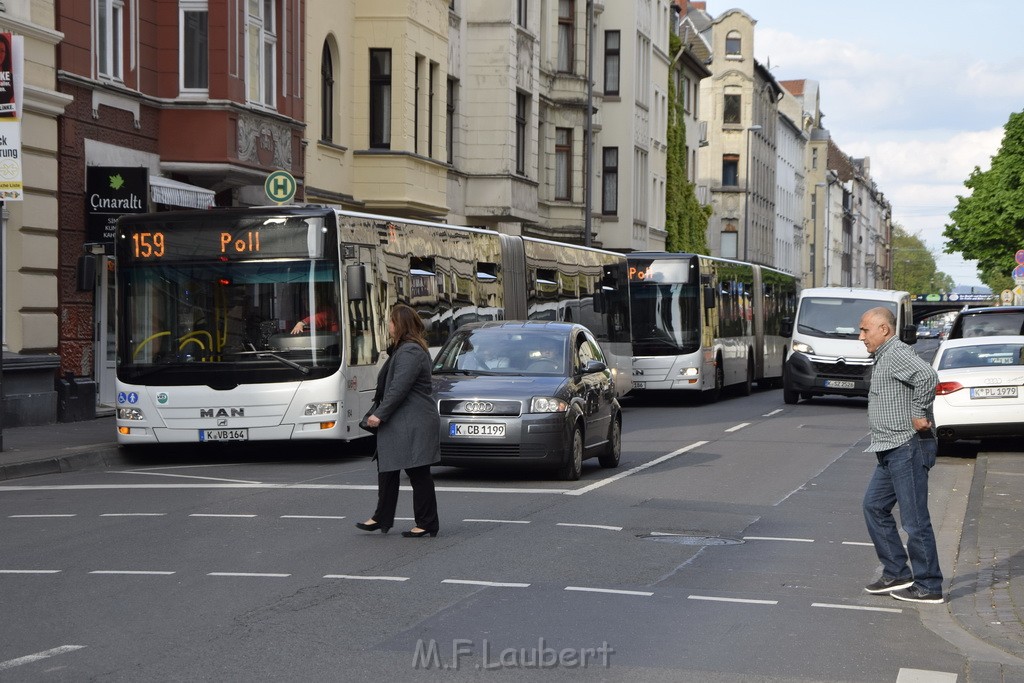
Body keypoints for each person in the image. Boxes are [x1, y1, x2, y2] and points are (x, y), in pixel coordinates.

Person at [858, 307, 944, 604]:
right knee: (874, 506)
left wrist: (919, 413)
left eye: (865, 330)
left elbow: (927, 375)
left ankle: (929, 584)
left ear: (884, 329)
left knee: (915, 519)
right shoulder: (885, 356)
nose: (861, 336)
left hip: (906, 446)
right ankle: (897, 571)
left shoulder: (895, 353)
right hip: (889, 447)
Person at [356, 304, 441, 538]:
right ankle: (381, 516)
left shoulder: (410, 351)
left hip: (411, 420)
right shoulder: (402, 349)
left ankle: (426, 522)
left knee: (417, 471)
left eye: (391, 322)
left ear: (400, 325)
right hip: (402, 420)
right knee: (387, 467)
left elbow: (398, 388)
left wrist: (379, 414)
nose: (389, 326)